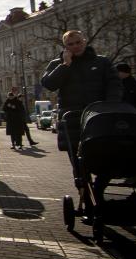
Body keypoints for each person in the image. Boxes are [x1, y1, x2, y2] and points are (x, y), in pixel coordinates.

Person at [40, 30, 121, 178]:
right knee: (78, 163)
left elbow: (114, 84)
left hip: (99, 116)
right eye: (70, 44)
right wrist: (65, 65)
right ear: (65, 47)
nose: (75, 46)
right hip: (72, 119)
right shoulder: (58, 64)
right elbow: (49, 84)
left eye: (78, 42)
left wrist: (110, 106)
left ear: (84, 41)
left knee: (103, 156)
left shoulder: (101, 62)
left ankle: (98, 189)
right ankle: (85, 189)